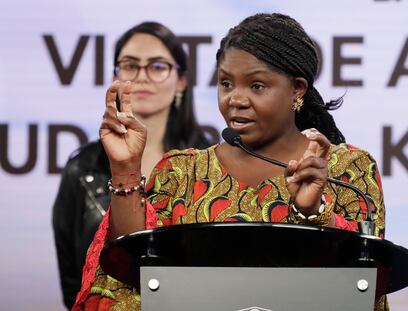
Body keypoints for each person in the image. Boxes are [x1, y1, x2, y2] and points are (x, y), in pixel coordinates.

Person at [73, 13, 387, 311]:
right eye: (226, 84)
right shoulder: (181, 172)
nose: (235, 99)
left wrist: (315, 212)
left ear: (297, 89)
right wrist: (126, 168)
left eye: (257, 86)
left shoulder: (347, 169)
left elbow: (365, 282)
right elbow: (131, 272)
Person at [52, 21, 215, 309]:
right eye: (130, 65)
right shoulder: (82, 168)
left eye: (157, 66)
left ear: (181, 81)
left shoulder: (210, 161)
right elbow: (73, 283)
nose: (142, 77)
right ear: (116, 75)